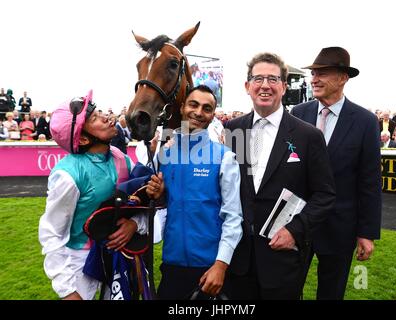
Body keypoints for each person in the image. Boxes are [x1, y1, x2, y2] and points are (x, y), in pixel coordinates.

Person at [224, 52, 336, 300]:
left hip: (282, 259)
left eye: (273, 79)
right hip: (238, 259)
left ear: (284, 87)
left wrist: (295, 230)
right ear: (247, 86)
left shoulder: (308, 136)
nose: (265, 85)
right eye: (258, 78)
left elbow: (325, 195)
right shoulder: (233, 130)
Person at [291, 47, 382, 300]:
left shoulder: (365, 121)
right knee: (286, 289)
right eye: (314, 73)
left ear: (343, 78)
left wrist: (367, 233)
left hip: (340, 226)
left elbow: (370, 182)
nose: (314, 79)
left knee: (331, 293)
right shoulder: (299, 113)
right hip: (296, 222)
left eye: (322, 73)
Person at [38, 90, 145, 300]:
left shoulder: (120, 157)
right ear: (84, 138)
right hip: (79, 262)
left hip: (118, 254)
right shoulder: (67, 175)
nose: (106, 116)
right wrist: (68, 291)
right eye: (95, 118)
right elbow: (52, 234)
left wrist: (134, 224)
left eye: (100, 111)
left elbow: (139, 203)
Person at [146, 85, 243, 299]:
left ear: (212, 116)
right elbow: (162, 205)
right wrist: (160, 195)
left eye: (206, 108)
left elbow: (233, 216)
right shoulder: (164, 154)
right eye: (193, 104)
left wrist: (221, 265)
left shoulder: (224, 157)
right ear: (182, 108)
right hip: (171, 265)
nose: (199, 112)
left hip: (210, 269)